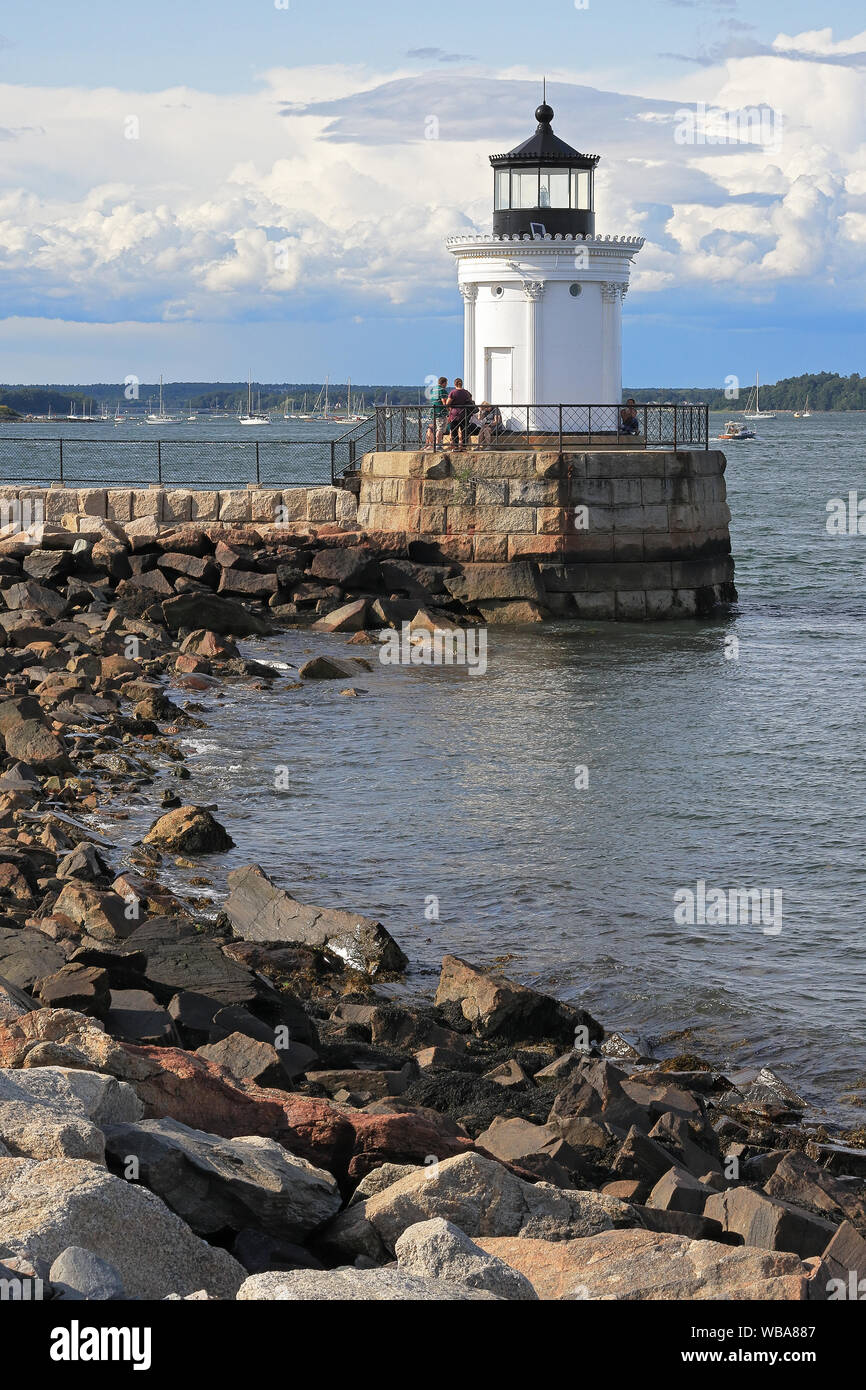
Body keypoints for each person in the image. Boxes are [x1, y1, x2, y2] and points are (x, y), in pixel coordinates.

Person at [446, 378, 475, 450]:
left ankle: (455, 446)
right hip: (464, 413)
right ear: (461, 383)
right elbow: (470, 400)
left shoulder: (453, 392)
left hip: (454, 414)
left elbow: (447, 403)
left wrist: (450, 409)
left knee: (454, 430)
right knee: (464, 430)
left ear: (455, 384)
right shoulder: (466, 392)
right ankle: (464, 446)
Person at [425, 376, 448, 448]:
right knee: (440, 428)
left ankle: (435, 444)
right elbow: (444, 402)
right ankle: (438, 444)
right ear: (444, 383)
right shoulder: (442, 390)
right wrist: (449, 410)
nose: (446, 385)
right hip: (440, 412)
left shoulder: (433, 390)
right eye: (446, 383)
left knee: (438, 428)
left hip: (434, 412)